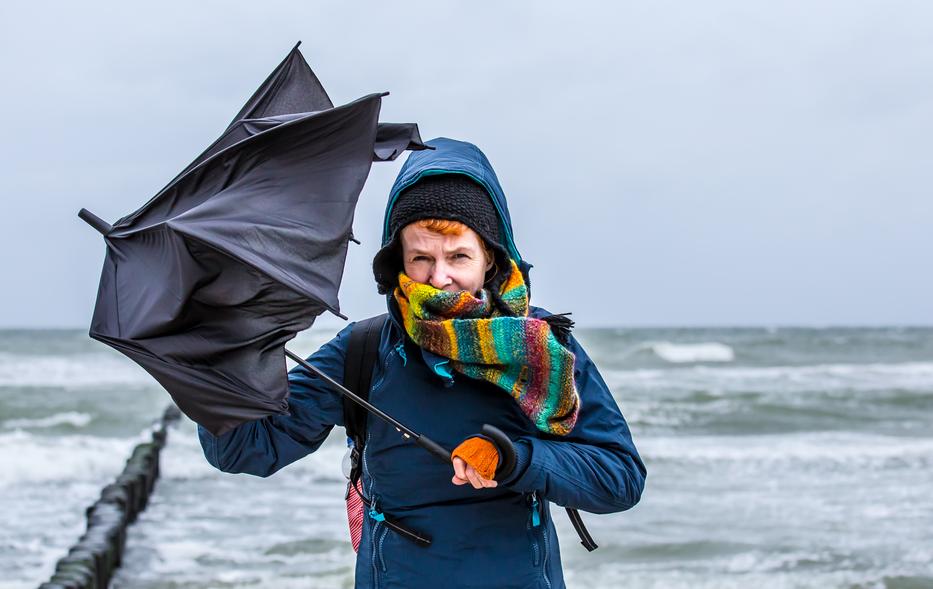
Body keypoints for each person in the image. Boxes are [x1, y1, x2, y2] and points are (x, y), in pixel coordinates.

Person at [197, 137, 646, 589]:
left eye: (458, 257)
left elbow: (619, 478)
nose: (439, 278)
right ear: (398, 261)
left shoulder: (543, 347)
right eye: (421, 259)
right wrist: (223, 353)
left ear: (489, 255)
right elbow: (245, 448)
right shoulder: (365, 348)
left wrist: (515, 458)